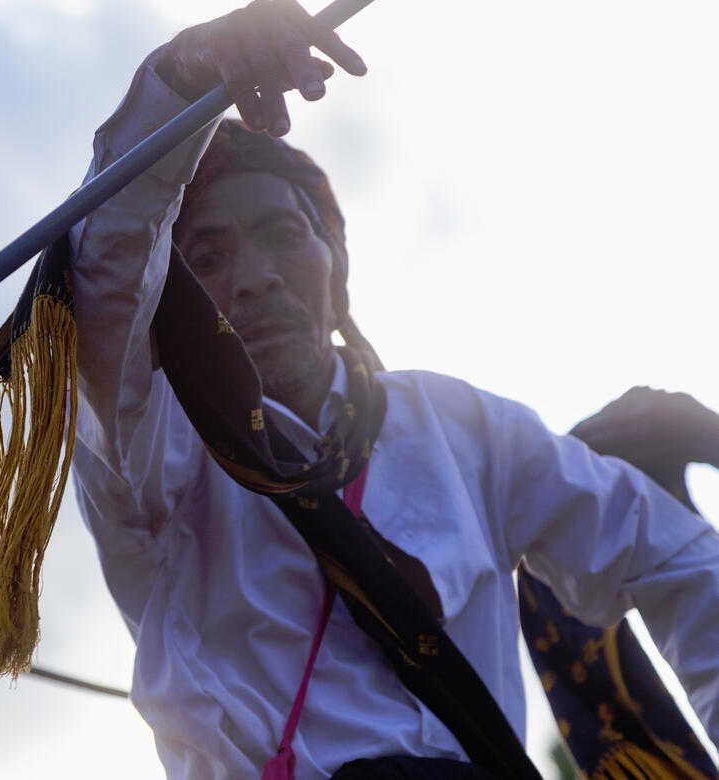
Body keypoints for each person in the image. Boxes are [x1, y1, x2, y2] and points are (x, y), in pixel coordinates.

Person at [62, 2, 719, 779]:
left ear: (336, 269)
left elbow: (680, 561)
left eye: (280, 235)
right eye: (205, 255)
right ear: (169, 311)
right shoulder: (149, 448)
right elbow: (104, 276)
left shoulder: (463, 426)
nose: (256, 276)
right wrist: (182, 76)